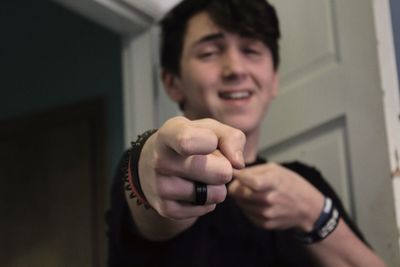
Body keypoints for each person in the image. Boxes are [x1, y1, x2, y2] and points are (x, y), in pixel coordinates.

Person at [107, 0, 387, 266]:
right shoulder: (147, 166)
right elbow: (151, 196)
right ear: (172, 82)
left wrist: (312, 211)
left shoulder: (307, 183)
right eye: (209, 53)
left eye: (251, 50)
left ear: (274, 80)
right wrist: (146, 170)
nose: (236, 69)